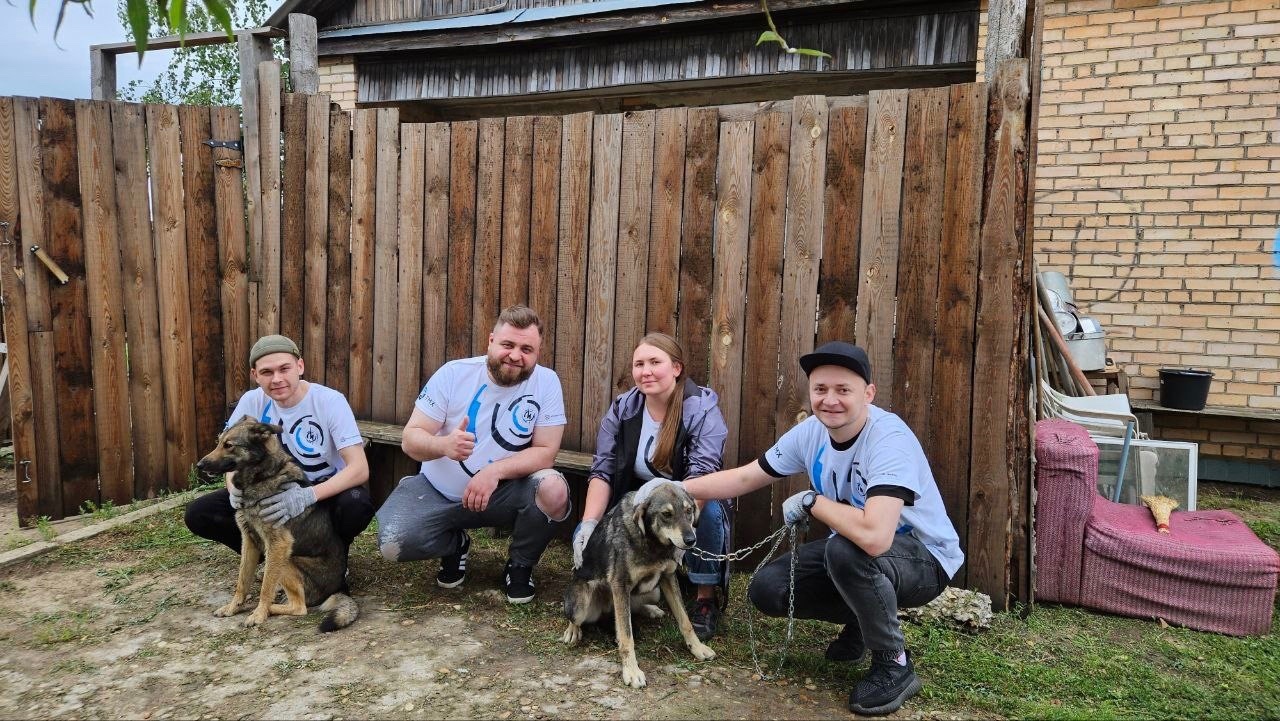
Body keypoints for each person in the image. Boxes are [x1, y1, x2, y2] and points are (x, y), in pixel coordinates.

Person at [645, 340, 963, 716]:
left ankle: (893, 664)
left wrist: (813, 502)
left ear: (868, 394)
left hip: (924, 559)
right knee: (769, 589)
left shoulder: (889, 440)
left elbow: (876, 537)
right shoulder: (812, 432)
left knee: (846, 550)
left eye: (843, 390)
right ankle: (865, 620)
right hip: (859, 553)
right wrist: (676, 489)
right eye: (820, 389)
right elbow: (746, 477)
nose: (830, 400)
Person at [376, 305, 571, 604]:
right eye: (507, 345)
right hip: (438, 492)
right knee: (392, 544)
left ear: (538, 352)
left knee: (554, 489)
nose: (515, 355)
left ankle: (520, 565)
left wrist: (493, 472)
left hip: (502, 495)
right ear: (491, 341)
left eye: (526, 349)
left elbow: (546, 453)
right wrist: (444, 446)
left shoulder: (547, 382)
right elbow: (410, 439)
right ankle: (454, 544)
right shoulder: (454, 374)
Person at [575, 332, 730, 640]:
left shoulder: (701, 409)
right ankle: (624, 590)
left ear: (676, 368)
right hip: (636, 500)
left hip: (687, 496)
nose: (645, 371)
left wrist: (680, 540)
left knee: (710, 511)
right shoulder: (623, 408)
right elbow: (602, 470)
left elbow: (701, 475)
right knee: (589, 536)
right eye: (639, 364)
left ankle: (705, 597)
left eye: (655, 362)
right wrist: (588, 524)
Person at [185, 334, 374, 561]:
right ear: (255, 375)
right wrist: (234, 488)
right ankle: (271, 555)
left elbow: (359, 469)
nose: (277, 379)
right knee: (199, 513)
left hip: (321, 493)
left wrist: (307, 496)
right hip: (269, 488)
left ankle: (331, 556)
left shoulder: (330, 401)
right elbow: (231, 453)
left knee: (356, 504)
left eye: (284, 369)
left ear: (300, 366)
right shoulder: (252, 401)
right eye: (267, 372)